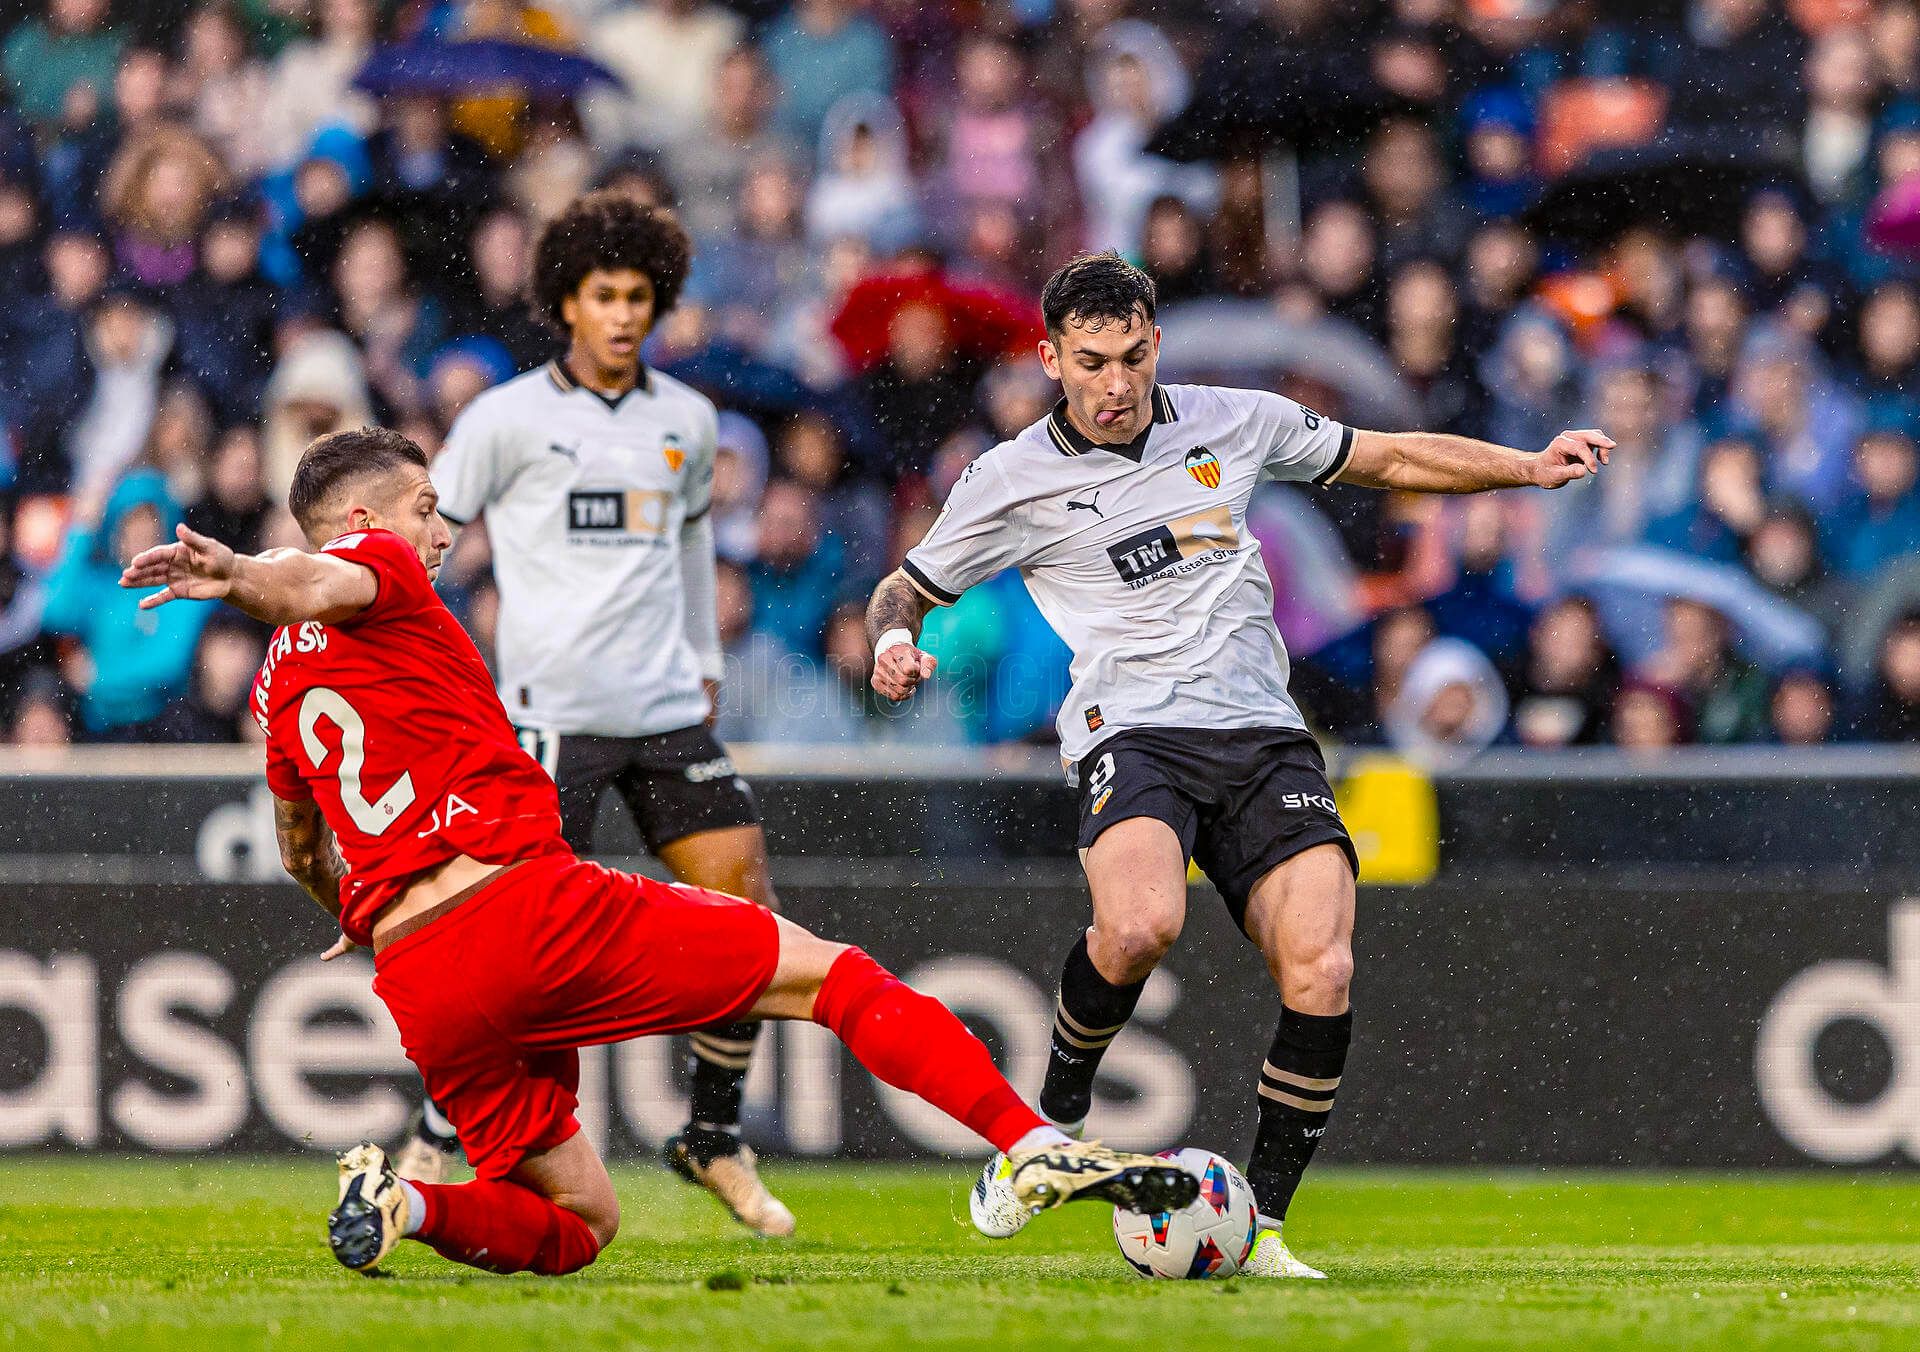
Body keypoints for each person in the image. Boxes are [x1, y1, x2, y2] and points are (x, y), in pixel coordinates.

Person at [117, 425, 1196, 1278]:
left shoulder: (277, 683)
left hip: (417, 973)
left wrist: (350, 914)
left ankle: (405, 1201)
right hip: (523, 910)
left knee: (580, 1222)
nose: (439, 533)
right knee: (834, 976)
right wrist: (241, 570)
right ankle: (1028, 1142)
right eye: (425, 508)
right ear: (362, 521)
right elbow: (313, 581)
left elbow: (300, 844)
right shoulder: (371, 565)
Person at [865, 251, 1613, 1279]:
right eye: (1091, 362)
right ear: (1050, 359)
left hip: (1263, 732)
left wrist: (1525, 466)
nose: (1116, 383)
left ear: (1156, 344)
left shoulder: (1236, 420)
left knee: (1325, 968)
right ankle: (1047, 1126)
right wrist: (891, 642)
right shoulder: (1010, 478)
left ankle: (1260, 1228)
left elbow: (1389, 456)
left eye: (1133, 356)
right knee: (1139, 926)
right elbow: (905, 588)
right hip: (1132, 729)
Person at [423, 192, 790, 1236]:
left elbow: (691, 546)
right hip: (549, 716)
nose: (624, 315)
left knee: (747, 909)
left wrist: (706, 658)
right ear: (566, 304)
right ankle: (445, 1124)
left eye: (638, 297)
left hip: (666, 707)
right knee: (515, 949)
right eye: (603, 296)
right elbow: (427, 533)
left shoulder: (688, 419)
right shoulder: (504, 419)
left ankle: (711, 1134)